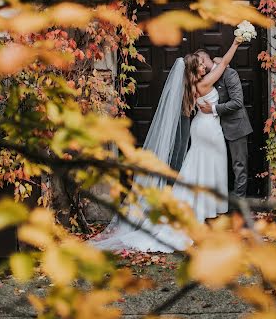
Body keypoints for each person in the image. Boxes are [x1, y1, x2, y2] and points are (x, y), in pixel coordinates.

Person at [90, 37, 242, 253]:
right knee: (204, 168)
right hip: (208, 129)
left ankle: (196, 209)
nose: (203, 66)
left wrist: (212, 59)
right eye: (199, 64)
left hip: (202, 127)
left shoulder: (192, 85)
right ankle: (195, 210)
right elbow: (223, 63)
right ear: (193, 70)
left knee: (197, 167)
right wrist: (235, 43)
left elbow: (216, 63)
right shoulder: (204, 83)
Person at [196, 49, 252, 201]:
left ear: (204, 59)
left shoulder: (229, 73)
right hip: (214, 128)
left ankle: (239, 199)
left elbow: (237, 102)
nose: (199, 65)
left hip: (236, 125)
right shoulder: (203, 77)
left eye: (200, 62)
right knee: (217, 164)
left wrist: (213, 109)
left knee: (239, 164)